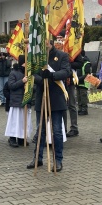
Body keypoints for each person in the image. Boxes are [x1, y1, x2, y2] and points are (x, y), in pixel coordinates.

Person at [27, 40, 71, 171]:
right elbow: (32, 72)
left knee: (57, 131)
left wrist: (52, 75)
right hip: (42, 97)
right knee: (40, 130)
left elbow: (66, 71)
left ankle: (58, 160)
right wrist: (41, 79)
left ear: (51, 43)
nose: (44, 45)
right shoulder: (37, 56)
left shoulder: (62, 55)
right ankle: (37, 158)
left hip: (56, 98)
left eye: (46, 43)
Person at [4, 55, 31, 147]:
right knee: (15, 121)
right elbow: (11, 86)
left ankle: (21, 138)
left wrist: (29, 86)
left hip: (25, 100)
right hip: (16, 101)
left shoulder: (29, 73)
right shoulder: (13, 73)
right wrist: (22, 82)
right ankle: (12, 138)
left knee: (23, 121)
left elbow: (34, 87)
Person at [77, 50, 92, 116]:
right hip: (78, 83)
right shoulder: (78, 62)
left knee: (83, 97)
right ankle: (80, 108)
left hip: (84, 83)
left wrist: (78, 78)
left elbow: (87, 74)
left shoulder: (87, 63)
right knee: (78, 97)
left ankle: (84, 109)